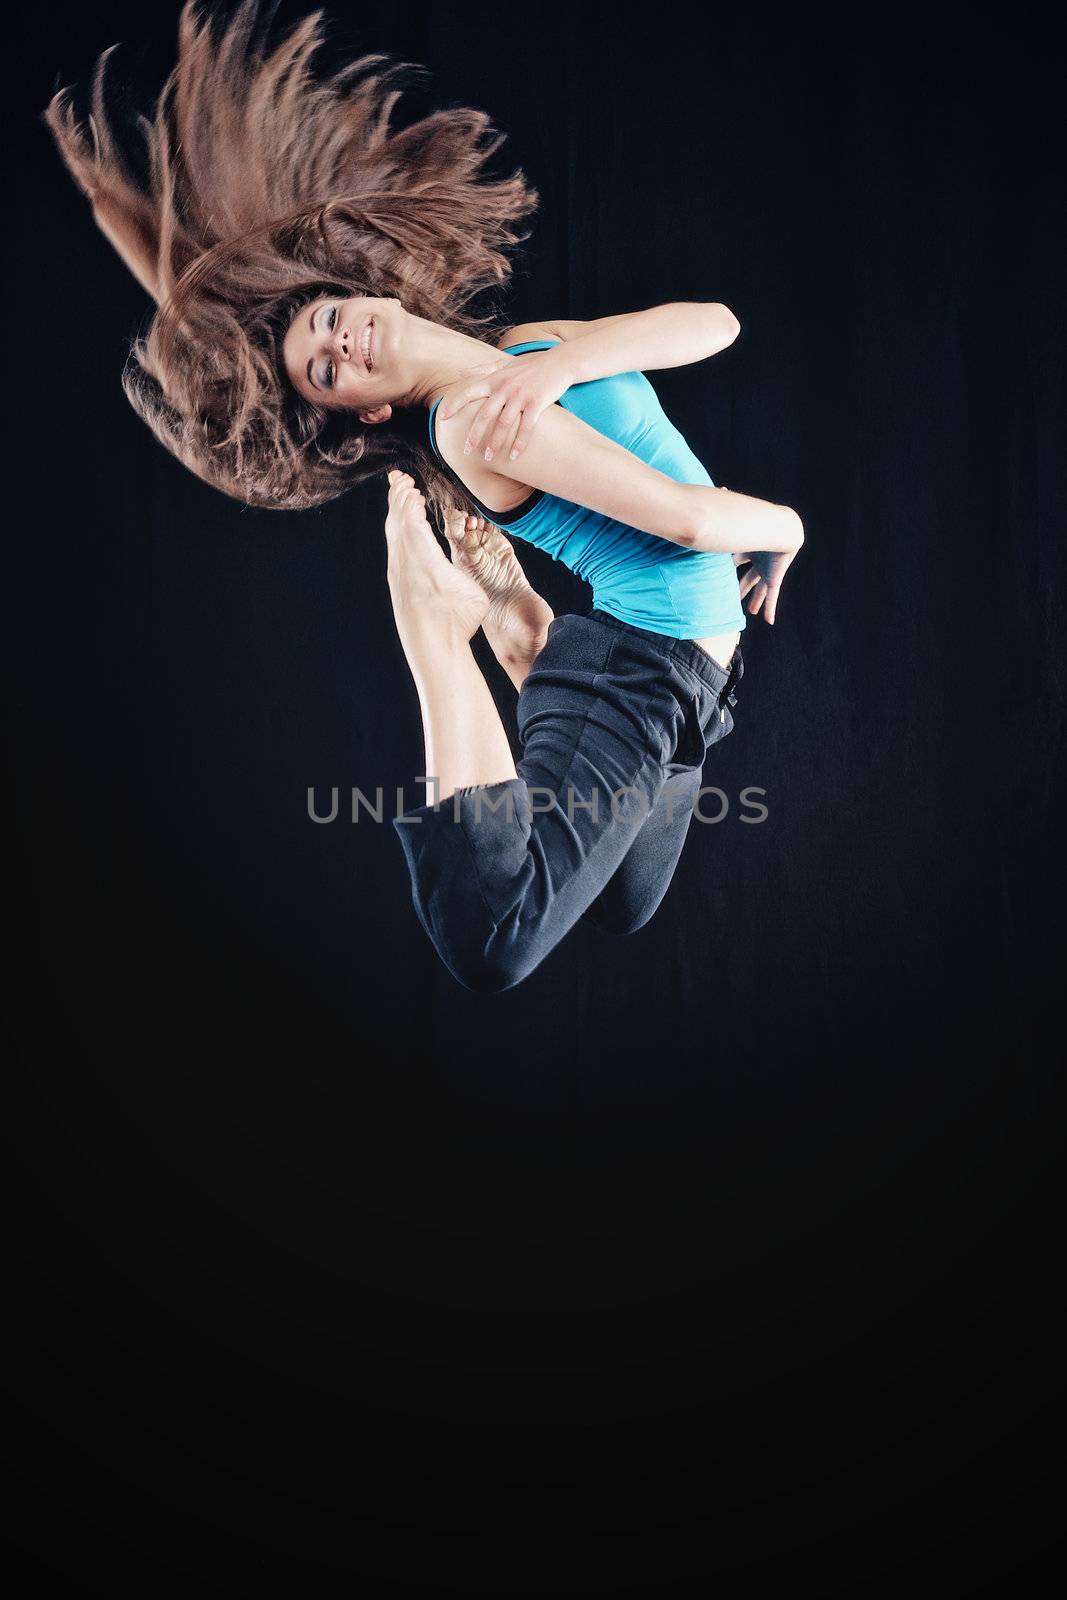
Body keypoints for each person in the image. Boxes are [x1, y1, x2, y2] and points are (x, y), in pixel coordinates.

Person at [44, 0, 804, 993]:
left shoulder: (524, 354)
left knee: (626, 903)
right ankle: (446, 630)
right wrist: (785, 528)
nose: (339, 341)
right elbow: (690, 520)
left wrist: (567, 357)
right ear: (358, 411)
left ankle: (526, 641)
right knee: (498, 933)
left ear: (368, 292)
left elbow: (712, 321)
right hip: (643, 667)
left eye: (325, 320)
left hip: (683, 668)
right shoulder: (476, 418)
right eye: (324, 370)